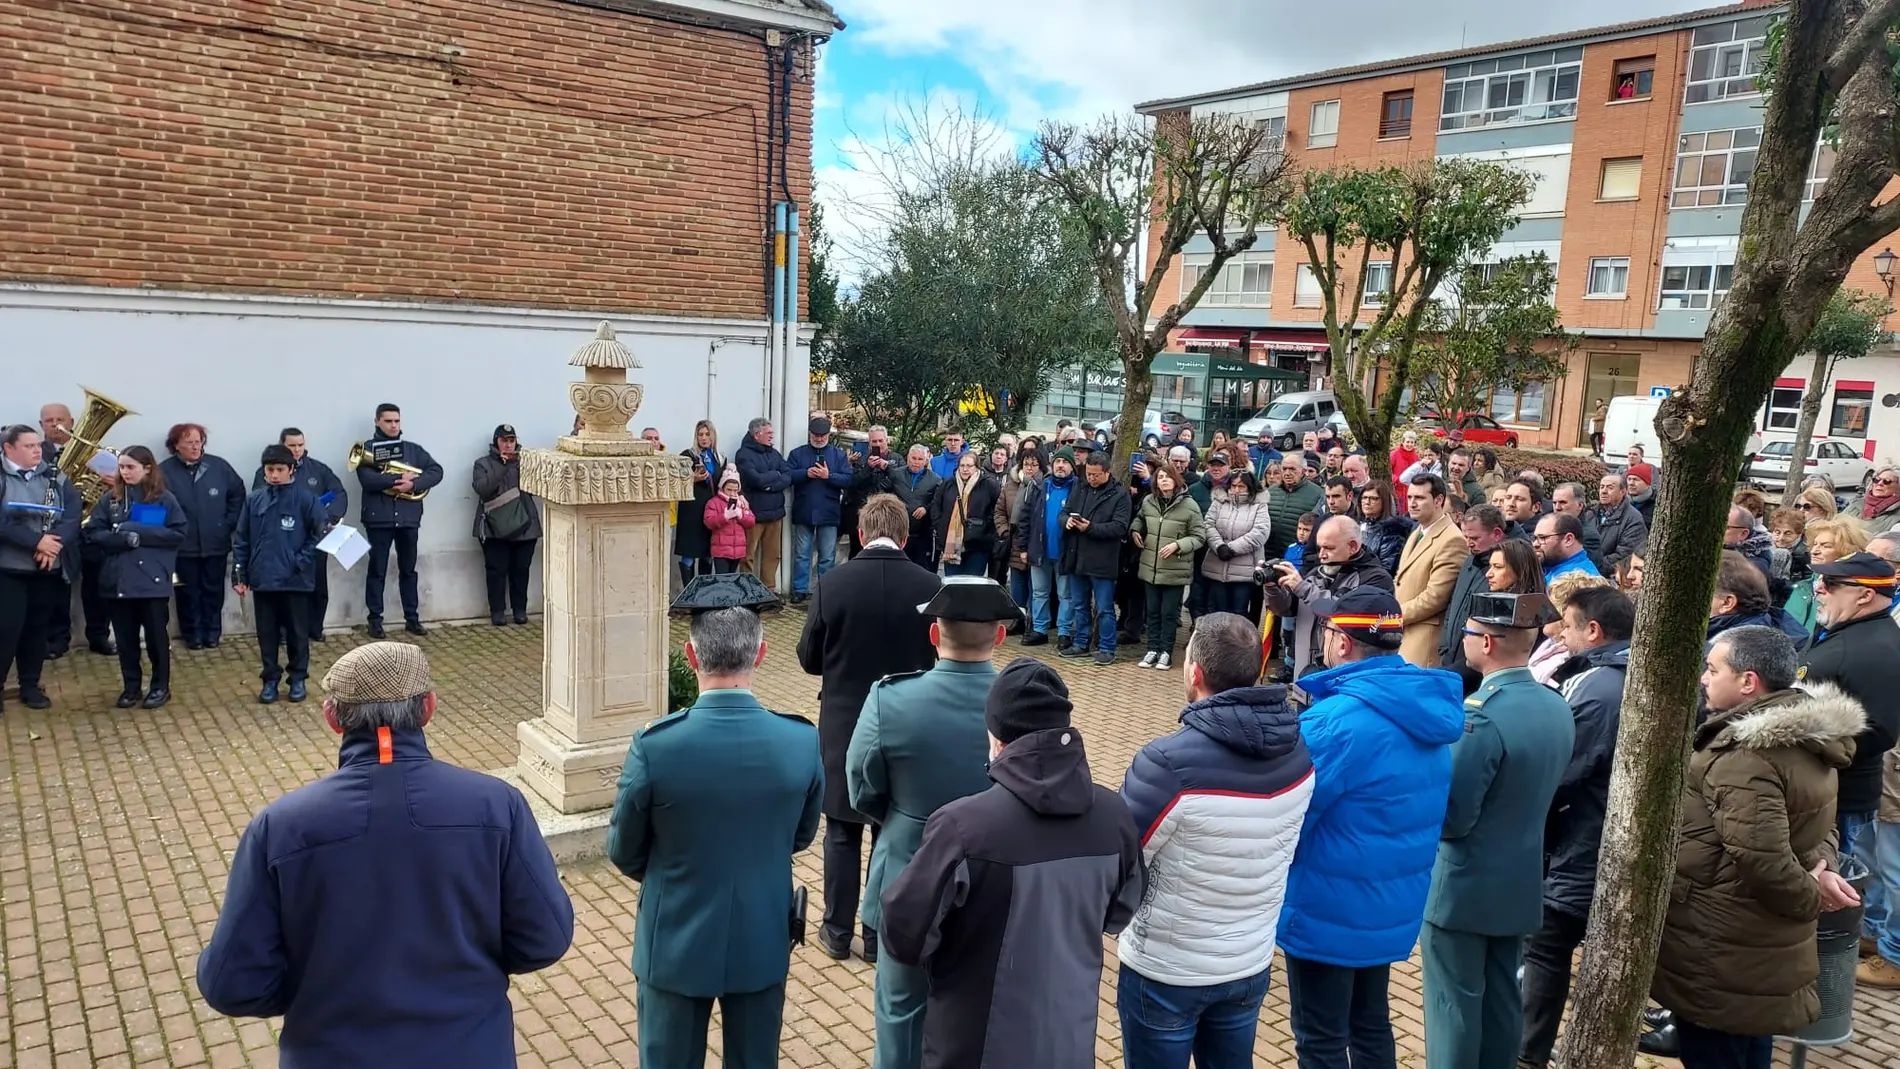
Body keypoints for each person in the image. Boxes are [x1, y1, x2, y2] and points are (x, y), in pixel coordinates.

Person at [197, 641, 575, 1066]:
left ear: (332, 717)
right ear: (428, 708)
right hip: (469, 1049)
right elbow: (544, 938)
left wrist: (314, 992)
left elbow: (232, 982)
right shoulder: (497, 806)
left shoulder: (279, 827)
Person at [880, 657, 1144, 1069]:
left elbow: (904, 935)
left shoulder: (961, 827)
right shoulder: (1115, 817)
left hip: (973, 1047)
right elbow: (1119, 913)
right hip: (1068, 1042)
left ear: (996, 739)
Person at [608, 573, 823, 1069]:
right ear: (761, 654)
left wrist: (674, 869)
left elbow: (624, 849)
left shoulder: (656, 745)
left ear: (691, 656)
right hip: (762, 933)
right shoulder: (799, 741)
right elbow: (801, 835)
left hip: (676, 937)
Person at [1651, 626, 1866, 1069]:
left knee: (1719, 1050)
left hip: (1725, 939)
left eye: (1713, 669)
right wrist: (1822, 868)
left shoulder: (1746, 756)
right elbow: (1819, 819)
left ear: (1749, 682)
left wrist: (1812, 896)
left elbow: (1761, 857)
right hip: (1759, 942)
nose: (1704, 679)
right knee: (1752, 1043)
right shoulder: (1808, 734)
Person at [1117, 612, 1315, 1069]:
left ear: (1195, 672)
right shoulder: (1298, 751)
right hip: (1249, 961)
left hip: (1168, 970)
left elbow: (1122, 857)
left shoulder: (1165, 764)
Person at [1278, 587, 1461, 1069]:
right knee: (1370, 1023)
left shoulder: (1334, 721)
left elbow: (1293, 815)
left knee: (1319, 1038)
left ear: (1341, 643)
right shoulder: (1426, 709)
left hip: (1327, 904)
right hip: (1388, 903)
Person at [846, 578, 1016, 1069]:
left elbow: (862, 789)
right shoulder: (1022, 705)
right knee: (982, 1019)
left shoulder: (889, 699)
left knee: (901, 1015)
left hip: (907, 873)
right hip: (996, 884)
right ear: (1000, 638)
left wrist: (905, 816)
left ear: (934, 636)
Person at [1424, 591, 1573, 1069]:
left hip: (1463, 888)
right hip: (1521, 879)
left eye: (1468, 634)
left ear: (1486, 643)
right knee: (1504, 999)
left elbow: (1453, 816)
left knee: (1454, 1007)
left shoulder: (1480, 715)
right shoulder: (1555, 704)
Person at [796, 493, 940, 962]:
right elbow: (938, 655)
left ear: (860, 535)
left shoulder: (831, 584)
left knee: (840, 829)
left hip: (844, 721)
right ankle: (879, 936)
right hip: (907, 722)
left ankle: (837, 932)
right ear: (904, 535)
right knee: (893, 833)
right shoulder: (929, 585)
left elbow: (809, 658)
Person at [1519, 586, 1635, 1067]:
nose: (1561, 638)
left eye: (1567, 627)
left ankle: (1527, 1054)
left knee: (1546, 949)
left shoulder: (1600, 689)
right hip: (1590, 835)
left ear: (1593, 630)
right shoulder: (1613, 677)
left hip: (1580, 842)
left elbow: (1564, 771)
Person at [1797, 554, 1900, 923]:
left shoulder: (1875, 650)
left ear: (1865, 596)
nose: (1819, 589)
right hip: (1830, 791)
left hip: (1841, 796)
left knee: (1833, 891)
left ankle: (1839, 952)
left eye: (1832, 584)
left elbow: (1879, 731)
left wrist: (1814, 750)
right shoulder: (1848, 631)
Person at [83, 447, 186, 709]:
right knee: (126, 639)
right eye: (122, 467)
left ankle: (160, 686)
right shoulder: (111, 500)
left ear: (147, 468)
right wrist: (119, 539)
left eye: (130, 467)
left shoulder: (163, 499)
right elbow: (94, 532)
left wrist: (137, 532)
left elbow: (177, 533)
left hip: (151, 581)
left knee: (155, 638)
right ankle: (131, 687)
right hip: (118, 581)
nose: (125, 472)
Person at [233, 444, 329, 705]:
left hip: (295, 580)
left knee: (298, 633)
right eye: (269, 470)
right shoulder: (255, 499)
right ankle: (270, 680)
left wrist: (300, 561)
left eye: (279, 470)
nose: (274, 475)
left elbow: (319, 533)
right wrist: (239, 575)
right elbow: (242, 538)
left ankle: (297, 678)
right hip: (263, 578)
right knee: (267, 634)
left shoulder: (306, 499)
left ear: (291, 470)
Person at [1, 425, 83, 713]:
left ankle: (30, 686)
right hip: (9, 569)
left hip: (46, 568)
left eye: (38, 445)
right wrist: (37, 541)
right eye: (29, 446)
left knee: (37, 630)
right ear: (9, 449)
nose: (38, 450)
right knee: (6, 630)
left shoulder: (53, 474)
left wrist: (54, 545)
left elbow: (73, 512)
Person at [1264, 515, 1395, 679]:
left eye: (1329, 548)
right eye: (1319, 548)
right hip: (1306, 677)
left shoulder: (1376, 579)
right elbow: (1284, 609)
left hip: (1343, 681)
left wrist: (1302, 587)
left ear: (1353, 546)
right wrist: (1272, 588)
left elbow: (1342, 613)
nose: (1321, 555)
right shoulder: (1315, 572)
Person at [354, 403, 444, 638]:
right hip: (378, 520)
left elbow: (436, 471)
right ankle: (375, 620)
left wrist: (413, 484)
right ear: (377, 422)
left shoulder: (413, 450)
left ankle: (412, 618)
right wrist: (397, 478)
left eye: (397, 421)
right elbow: (367, 480)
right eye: (388, 421)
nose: (393, 425)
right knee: (377, 571)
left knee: (408, 570)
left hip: (408, 519)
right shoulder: (367, 450)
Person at [253, 428, 347, 641]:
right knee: (287, 590)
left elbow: (338, 493)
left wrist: (330, 517)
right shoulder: (267, 472)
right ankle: (286, 632)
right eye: (291, 446)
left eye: (300, 445)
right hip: (285, 540)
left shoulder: (319, 470)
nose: (296, 450)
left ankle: (315, 628)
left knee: (318, 587)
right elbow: (262, 500)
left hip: (316, 538)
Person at [160, 422, 246, 649]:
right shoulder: (164, 471)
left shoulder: (219, 467)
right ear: (176, 445)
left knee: (213, 590)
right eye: (189, 442)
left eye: (198, 441)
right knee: (187, 592)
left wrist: (227, 524)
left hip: (215, 543)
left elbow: (237, 494)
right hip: (183, 545)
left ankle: (212, 633)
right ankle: (192, 635)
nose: (195, 446)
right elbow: (156, 503)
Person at [1059, 452, 1133, 666]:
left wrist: (1091, 528)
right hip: (1077, 556)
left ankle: (1107, 648)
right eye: (1089, 474)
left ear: (1107, 472)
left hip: (1103, 559)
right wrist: (1067, 522)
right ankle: (1081, 643)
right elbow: (1065, 512)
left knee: (1104, 607)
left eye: (1096, 475)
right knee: (1080, 604)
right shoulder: (1080, 487)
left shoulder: (1119, 494)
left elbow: (1120, 527)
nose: (1091, 478)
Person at [1133, 464, 1205, 669]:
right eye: (1159, 477)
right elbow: (1140, 518)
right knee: (1153, 611)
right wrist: (1135, 530)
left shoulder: (1189, 505)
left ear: (1176, 480)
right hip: (1151, 567)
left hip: (1175, 569)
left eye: (1167, 477)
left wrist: (1178, 545)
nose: (1163, 480)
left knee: (1169, 613)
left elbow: (1199, 536)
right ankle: (1152, 649)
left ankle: (1166, 651)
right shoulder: (1149, 501)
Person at [470, 424, 541, 627]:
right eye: (504, 440)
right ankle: (498, 611)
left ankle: (520, 610)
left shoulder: (525, 462)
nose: (508, 445)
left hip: (525, 526)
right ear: (496, 442)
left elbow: (536, 488)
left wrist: (521, 466)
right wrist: (502, 467)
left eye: (511, 440)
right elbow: (483, 489)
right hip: (494, 527)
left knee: (521, 569)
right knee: (496, 570)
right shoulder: (482, 464)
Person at [1395, 474, 1467, 670]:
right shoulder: (1418, 531)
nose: (1412, 503)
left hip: (1424, 641)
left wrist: (1393, 615)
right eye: (1409, 498)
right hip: (1403, 633)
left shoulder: (1453, 540)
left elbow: (1435, 598)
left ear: (1439, 500)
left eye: (1419, 498)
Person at [1441, 506, 1509, 693]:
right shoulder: (1469, 561)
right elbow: (1454, 605)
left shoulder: (1508, 569)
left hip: (1477, 674)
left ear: (1496, 534)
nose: (1469, 544)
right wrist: (1444, 647)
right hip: (1452, 659)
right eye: (1466, 538)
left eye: (1475, 538)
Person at [787, 416, 853, 604]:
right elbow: (787, 475)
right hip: (804, 510)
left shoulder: (838, 455)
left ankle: (825, 591)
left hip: (829, 512)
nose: (819, 439)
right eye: (816, 435)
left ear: (828, 436)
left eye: (823, 435)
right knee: (801, 554)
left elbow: (848, 479)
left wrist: (828, 475)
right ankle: (799, 590)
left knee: (827, 556)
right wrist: (805, 473)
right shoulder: (797, 454)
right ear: (810, 434)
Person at [1019, 447, 1074, 646]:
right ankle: (1040, 629)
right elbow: (1025, 519)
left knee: (1065, 595)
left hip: (1065, 552)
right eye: (1058, 462)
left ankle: (1064, 632)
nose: (1060, 466)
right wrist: (1023, 548)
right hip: (1039, 550)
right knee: (1039, 592)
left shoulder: (1077, 489)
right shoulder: (1040, 487)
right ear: (1051, 465)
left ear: (1072, 466)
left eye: (1065, 462)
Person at [1202, 469, 1270, 619]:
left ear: (1250, 488)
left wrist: (1231, 549)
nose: (1236, 490)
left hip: (1244, 572)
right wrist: (1219, 546)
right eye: (1233, 486)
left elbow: (1260, 532)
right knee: (1216, 612)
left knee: (1238, 614)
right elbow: (1208, 525)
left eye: (1241, 486)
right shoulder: (1219, 502)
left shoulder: (1259, 505)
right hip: (1217, 567)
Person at [734, 418, 792, 589]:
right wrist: (775, 476)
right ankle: (747, 591)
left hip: (776, 514)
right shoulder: (743, 454)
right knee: (747, 556)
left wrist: (769, 486)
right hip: (754, 514)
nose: (771, 436)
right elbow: (755, 480)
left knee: (773, 555)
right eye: (768, 433)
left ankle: (769, 590)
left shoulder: (774, 453)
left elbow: (788, 475)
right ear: (757, 434)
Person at [1786, 516, 1868, 633]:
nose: (1814, 551)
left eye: (1825, 546)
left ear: (1846, 551)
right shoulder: (1803, 587)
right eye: (1814, 544)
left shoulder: (1848, 594)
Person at [931, 450, 1000, 577]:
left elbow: (996, 511)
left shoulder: (989, 485)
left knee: (972, 585)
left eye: (969, 466)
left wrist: (984, 528)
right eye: (962, 465)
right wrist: (941, 527)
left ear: (976, 467)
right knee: (952, 584)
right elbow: (936, 508)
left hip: (978, 545)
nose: (965, 469)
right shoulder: (947, 484)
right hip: (951, 546)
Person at [675, 420, 726, 584]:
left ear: (713, 436)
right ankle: (688, 595)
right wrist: (693, 479)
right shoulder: (687, 455)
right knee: (689, 552)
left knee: (707, 553)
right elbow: (676, 480)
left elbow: (725, 484)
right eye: (700, 434)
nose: (703, 438)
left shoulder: (720, 458)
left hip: (711, 511)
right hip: (691, 510)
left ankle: (704, 594)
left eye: (706, 434)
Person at [997, 448, 1040, 622]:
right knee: (1017, 584)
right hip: (1014, 540)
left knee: (1035, 585)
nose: (1029, 468)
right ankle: (1018, 619)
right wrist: (1005, 531)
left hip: (1034, 540)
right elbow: (999, 511)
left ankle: (1032, 621)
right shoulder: (1011, 484)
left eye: (1034, 465)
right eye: (1026, 464)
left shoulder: (1042, 484)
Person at [1266, 458, 1324, 562]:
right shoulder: (1270, 492)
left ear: (1303, 471)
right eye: (1284, 469)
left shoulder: (1317, 493)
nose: (1287, 473)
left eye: (1292, 469)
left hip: (1297, 558)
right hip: (1268, 555)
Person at [893, 445, 941, 570]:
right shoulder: (896, 475)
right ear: (908, 458)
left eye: (920, 459)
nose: (916, 462)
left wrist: (926, 508)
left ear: (926, 461)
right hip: (898, 532)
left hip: (922, 534)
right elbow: (883, 493)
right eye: (913, 458)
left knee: (920, 569)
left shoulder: (935, 480)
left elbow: (938, 502)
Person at [703, 468, 756, 573]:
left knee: (732, 579)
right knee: (723, 579)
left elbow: (751, 521)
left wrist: (741, 515)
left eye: (735, 490)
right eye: (729, 490)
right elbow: (709, 522)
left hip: (737, 550)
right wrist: (724, 517)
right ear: (722, 488)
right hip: (721, 551)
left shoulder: (741, 503)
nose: (732, 493)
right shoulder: (714, 502)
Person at [1595, 470, 1648, 572]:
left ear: (1623, 492)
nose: (1604, 491)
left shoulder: (1633, 520)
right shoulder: (1591, 513)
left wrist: (1592, 565)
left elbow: (1624, 555)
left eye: (1610, 487)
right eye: (1602, 487)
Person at [1356, 482, 1413, 574]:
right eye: (1364, 497)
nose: (1367, 502)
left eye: (1373, 498)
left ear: (1384, 501)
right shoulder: (1356, 525)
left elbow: (1387, 569)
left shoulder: (1392, 531)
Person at [1534, 513, 1600, 582]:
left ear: (1568, 539)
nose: (1535, 544)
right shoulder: (1551, 568)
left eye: (1543, 538)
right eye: (1535, 538)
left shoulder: (1580, 582)